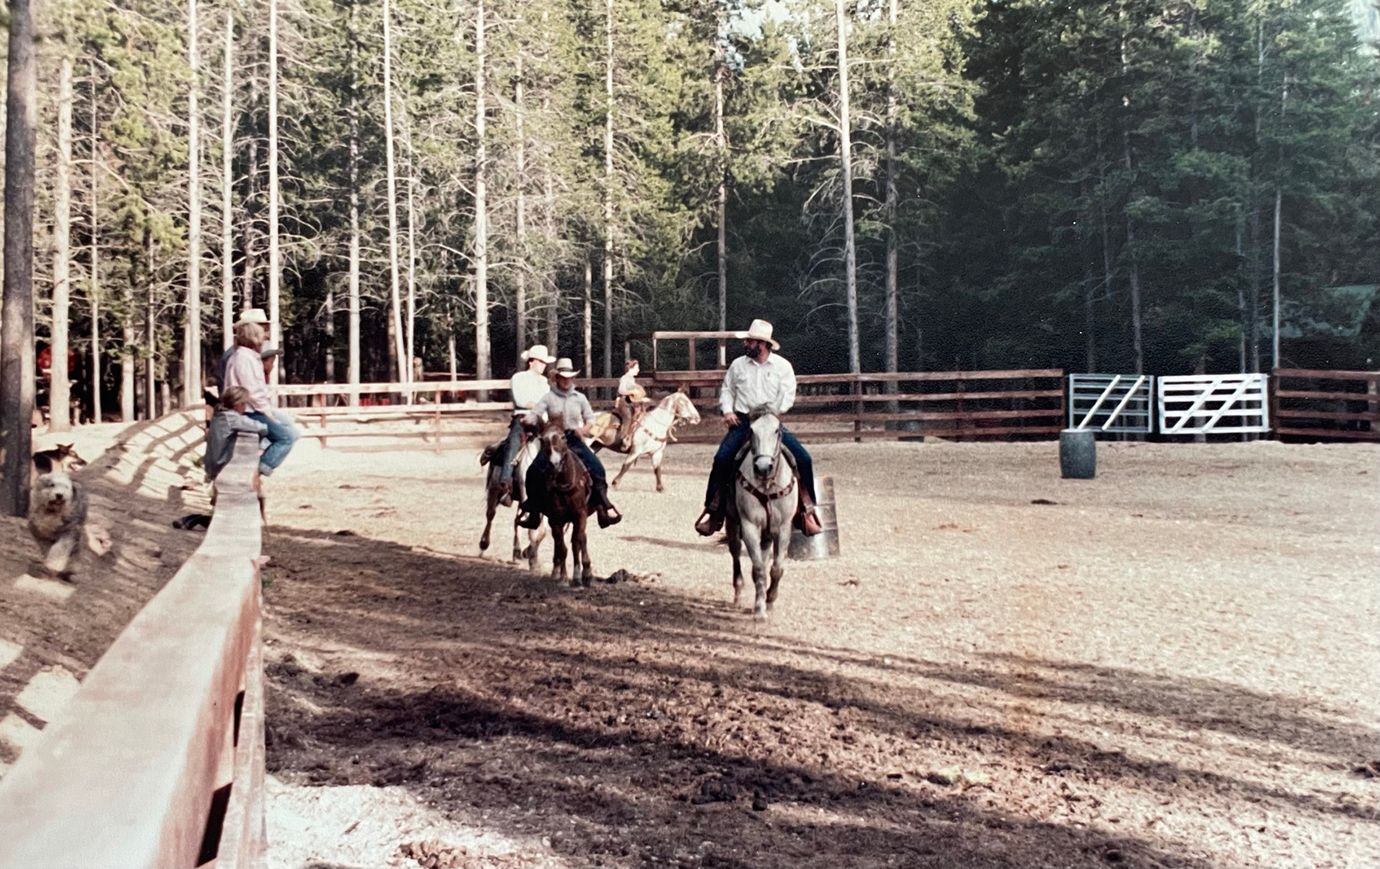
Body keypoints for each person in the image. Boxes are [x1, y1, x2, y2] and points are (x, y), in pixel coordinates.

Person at [694, 319, 822, 537]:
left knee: (803, 458)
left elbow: (788, 395)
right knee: (722, 459)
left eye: (751, 341)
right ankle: (714, 510)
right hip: (743, 421)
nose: (747, 343)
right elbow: (727, 390)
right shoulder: (738, 365)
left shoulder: (783, 367)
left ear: (763, 344)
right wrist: (727, 411)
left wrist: (774, 413)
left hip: (770, 422)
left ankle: (806, 511)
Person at [516, 358, 623, 529]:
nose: (566, 381)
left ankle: (604, 505)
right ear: (557, 378)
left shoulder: (580, 398)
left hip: (573, 439)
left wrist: (584, 429)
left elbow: (590, 419)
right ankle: (533, 511)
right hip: (553, 440)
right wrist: (527, 420)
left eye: (569, 377)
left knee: (597, 468)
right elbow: (536, 413)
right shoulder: (548, 397)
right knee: (532, 471)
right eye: (563, 377)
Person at [223, 321, 298, 478]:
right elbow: (252, 391)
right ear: (253, 337)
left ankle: (257, 464)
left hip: (248, 408)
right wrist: (267, 413)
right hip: (247, 410)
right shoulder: (244, 359)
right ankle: (258, 471)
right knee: (286, 437)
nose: (264, 337)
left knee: (290, 430)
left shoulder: (243, 356)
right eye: (261, 334)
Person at [499, 344, 557, 506]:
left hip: (543, 420)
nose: (544, 365)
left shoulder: (545, 382)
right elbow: (521, 400)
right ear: (531, 361)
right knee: (514, 442)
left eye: (545, 363)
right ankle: (506, 483)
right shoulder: (518, 378)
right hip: (523, 417)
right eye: (541, 362)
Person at [219, 308, 271, 387]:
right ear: (252, 330)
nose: (266, 335)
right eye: (264, 329)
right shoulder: (243, 358)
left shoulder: (244, 354)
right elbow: (253, 393)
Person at [614, 358, 651, 450]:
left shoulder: (631, 379)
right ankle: (623, 438)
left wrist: (640, 397)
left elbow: (635, 395)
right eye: (637, 368)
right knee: (628, 417)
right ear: (631, 368)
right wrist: (632, 391)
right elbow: (621, 390)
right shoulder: (625, 378)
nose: (638, 370)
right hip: (623, 402)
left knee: (639, 414)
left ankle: (633, 436)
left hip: (629, 402)